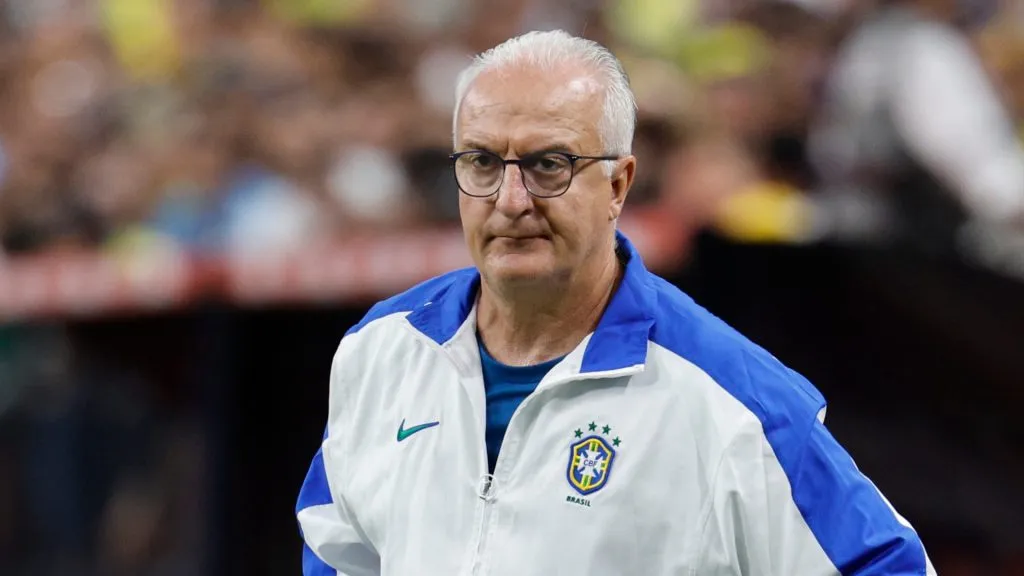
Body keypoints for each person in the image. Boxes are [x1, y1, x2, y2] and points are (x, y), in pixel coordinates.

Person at [296, 30, 935, 575]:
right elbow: (334, 541)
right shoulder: (380, 350)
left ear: (618, 184)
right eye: (483, 162)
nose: (511, 199)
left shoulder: (736, 403)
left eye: (549, 165)